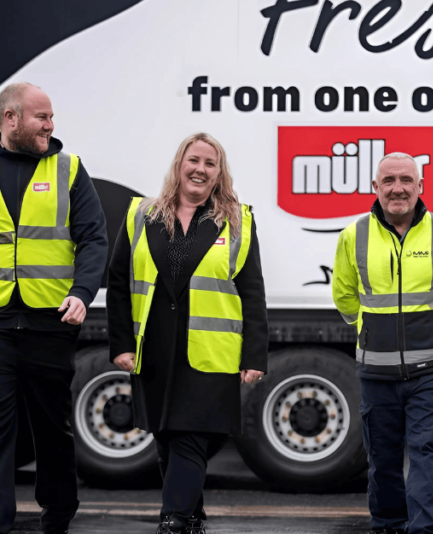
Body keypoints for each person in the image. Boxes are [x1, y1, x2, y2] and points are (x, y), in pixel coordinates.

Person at [107, 133, 268, 534]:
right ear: (179, 164)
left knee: (191, 436)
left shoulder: (236, 221)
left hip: (210, 349)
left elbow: (252, 292)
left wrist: (254, 355)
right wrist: (121, 344)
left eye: (210, 163)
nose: (200, 169)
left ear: (219, 174)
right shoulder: (141, 216)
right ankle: (192, 513)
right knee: (167, 435)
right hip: (156, 345)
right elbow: (118, 283)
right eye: (193, 160)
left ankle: (174, 518)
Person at [332, 153, 433, 534]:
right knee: (382, 461)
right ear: (375, 188)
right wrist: (367, 329)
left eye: (406, 180)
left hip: (432, 371)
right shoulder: (354, 235)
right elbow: (344, 294)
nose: (398, 188)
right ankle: (388, 526)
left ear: (420, 187)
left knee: (426, 453)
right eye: (390, 180)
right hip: (376, 374)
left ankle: (425, 530)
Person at [0, 83, 108, 534]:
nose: (51, 125)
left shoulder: (68, 170)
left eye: (51, 117)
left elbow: (94, 239)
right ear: (10, 118)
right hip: (1, 324)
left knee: (51, 430)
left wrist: (82, 293)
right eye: (41, 117)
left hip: (51, 322)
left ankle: (59, 514)